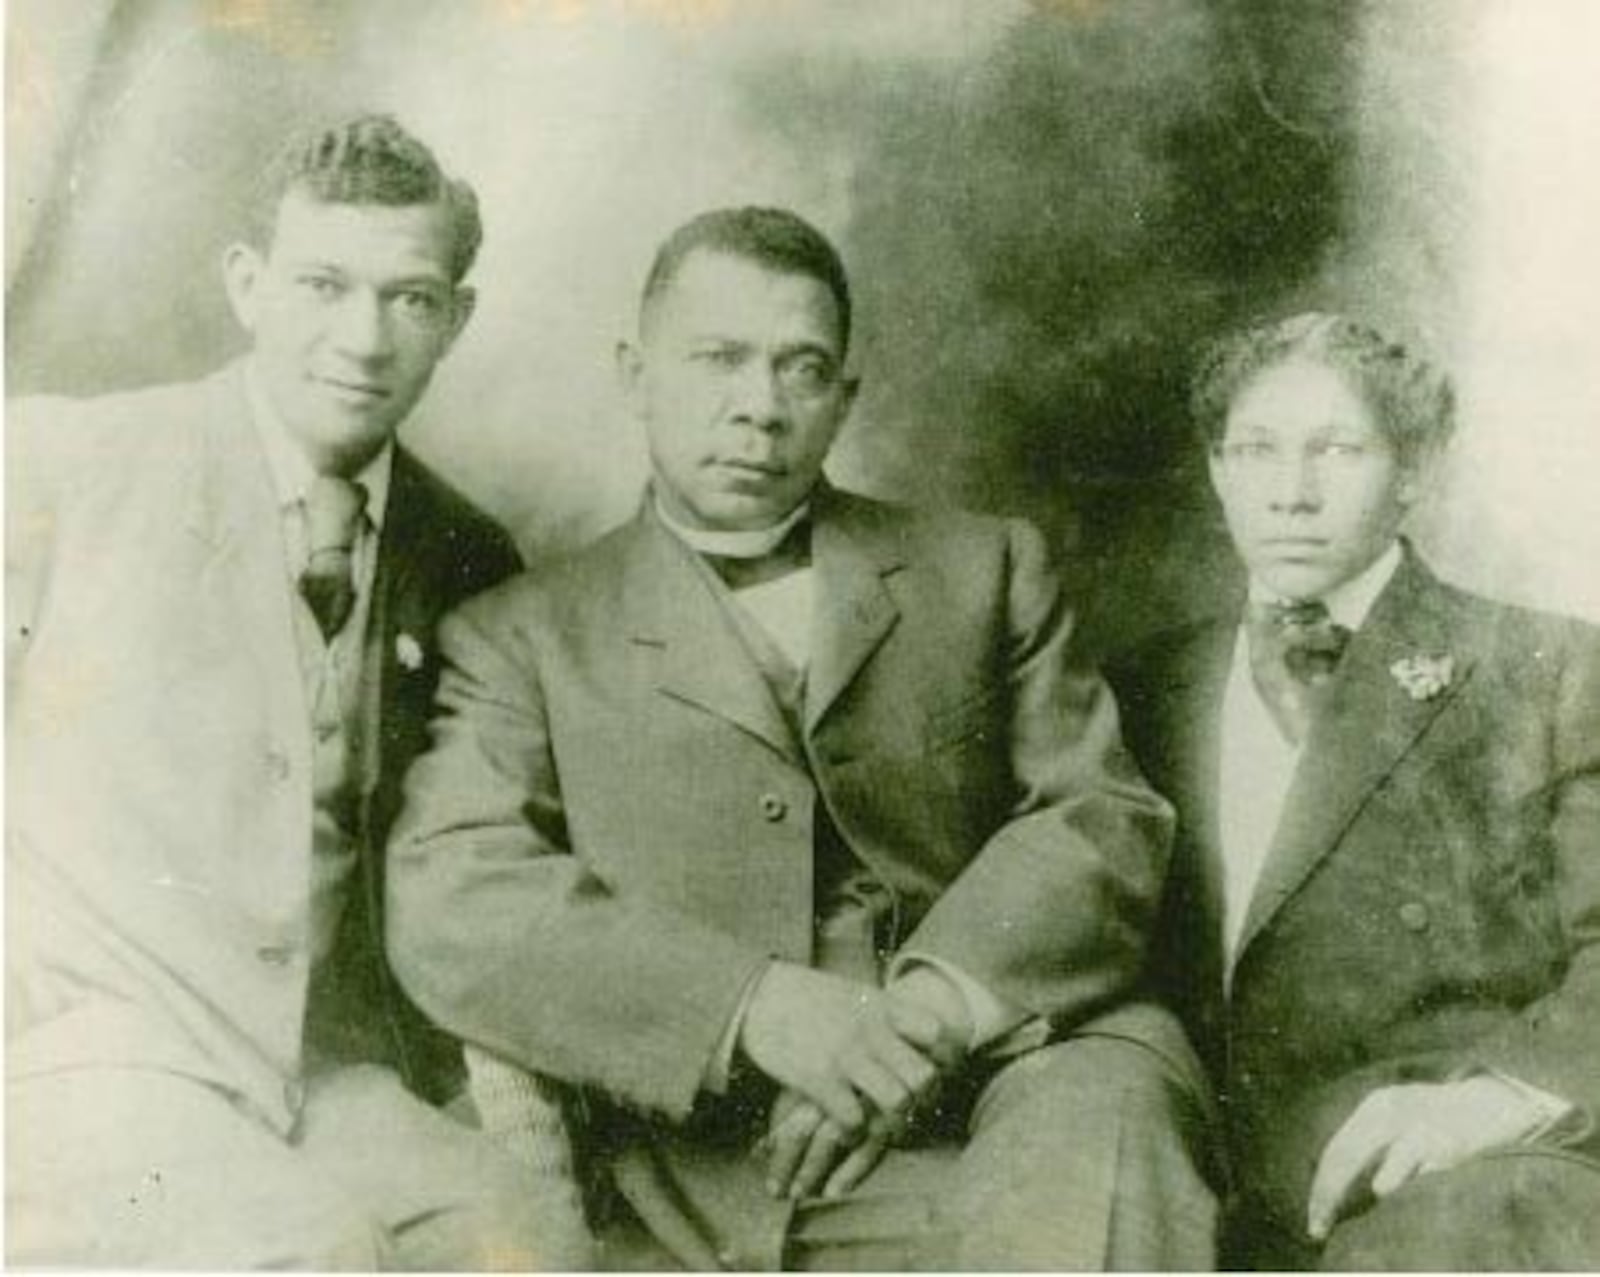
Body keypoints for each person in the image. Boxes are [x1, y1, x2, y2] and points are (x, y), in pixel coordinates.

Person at [385, 206, 1218, 1270]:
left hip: (1022, 1067)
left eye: (800, 369)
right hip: (752, 1143)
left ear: (844, 400)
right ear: (635, 373)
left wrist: (925, 1013)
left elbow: (1100, 816)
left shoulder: (983, 568)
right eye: (718, 360)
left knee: (1111, 1114)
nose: (759, 408)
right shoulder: (525, 634)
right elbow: (454, 893)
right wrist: (758, 1007)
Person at [6, 114, 590, 1268]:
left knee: (525, 1243)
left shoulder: (465, 549)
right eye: (324, 284)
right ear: (247, 283)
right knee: (311, 1252)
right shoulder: (65, 467)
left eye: (410, 298)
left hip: (322, 1062)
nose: (363, 339)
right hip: (92, 1042)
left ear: (455, 321)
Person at [1107, 311, 1600, 1269]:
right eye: (1255, 450)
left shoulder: (1552, 671)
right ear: (1216, 470)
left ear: (1412, 472)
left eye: (1337, 449)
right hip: (1189, 1182)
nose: (1291, 493)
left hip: (1448, 1177)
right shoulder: (1136, 690)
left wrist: (1496, 1097)